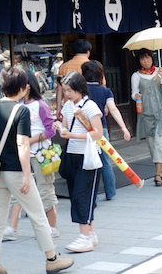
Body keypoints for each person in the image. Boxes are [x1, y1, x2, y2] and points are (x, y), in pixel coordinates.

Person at [0, 67, 75, 274]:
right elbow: (22, 145)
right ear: (24, 88)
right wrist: (27, 174)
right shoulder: (21, 110)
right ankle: (52, 259)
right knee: (37, 215)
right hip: (16, 171)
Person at [3, 71, 61, 244]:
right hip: (25, 154)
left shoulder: (40, 105)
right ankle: (12, 228)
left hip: (41, 154)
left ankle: (52, 228)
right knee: (19, 191)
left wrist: (30, 140)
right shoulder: (18, 105)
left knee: (45, 189)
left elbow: (51, 130)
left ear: (28, 86)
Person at [55, 72, 103, 253]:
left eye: (69, 90)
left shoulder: (90, 106)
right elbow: (65, 129)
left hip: (88, 155)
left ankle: (84, 237)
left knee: (81, 196)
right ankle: (89, 234)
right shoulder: (68, 106)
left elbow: (97, 133)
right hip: (72, 155)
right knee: (77, 194)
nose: (67, 94)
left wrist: (71, 134)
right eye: (65, 90)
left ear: (79, 88)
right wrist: (59, 127)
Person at [81, 61, 130, 201]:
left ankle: (93, 196)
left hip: (85, 131)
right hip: (101, 129)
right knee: (105, 161)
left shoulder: (81, 91)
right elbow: (113, 109)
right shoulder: (105, 91)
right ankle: (110, 191)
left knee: (89, 162)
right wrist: (123, 127)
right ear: (100, 75)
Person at [130, 49, 162, 186]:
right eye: (142, 59)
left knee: (160, 143)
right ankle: (160, 169)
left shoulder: (160, 71)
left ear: (152, 58)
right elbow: (134, 92)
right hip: (146, 114)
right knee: (152, 145)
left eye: (147, 58)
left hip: (161, 113)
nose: (145, 61)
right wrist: (136, 96)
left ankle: (157, 174)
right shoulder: (136, 76)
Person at [55, 40, 92, 121]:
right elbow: (101, 85)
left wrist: (59, 107)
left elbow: (59, 88)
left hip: (69, 106)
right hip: (89, 106)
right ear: (88, 52)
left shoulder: (64, 66)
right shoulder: (93, 66)